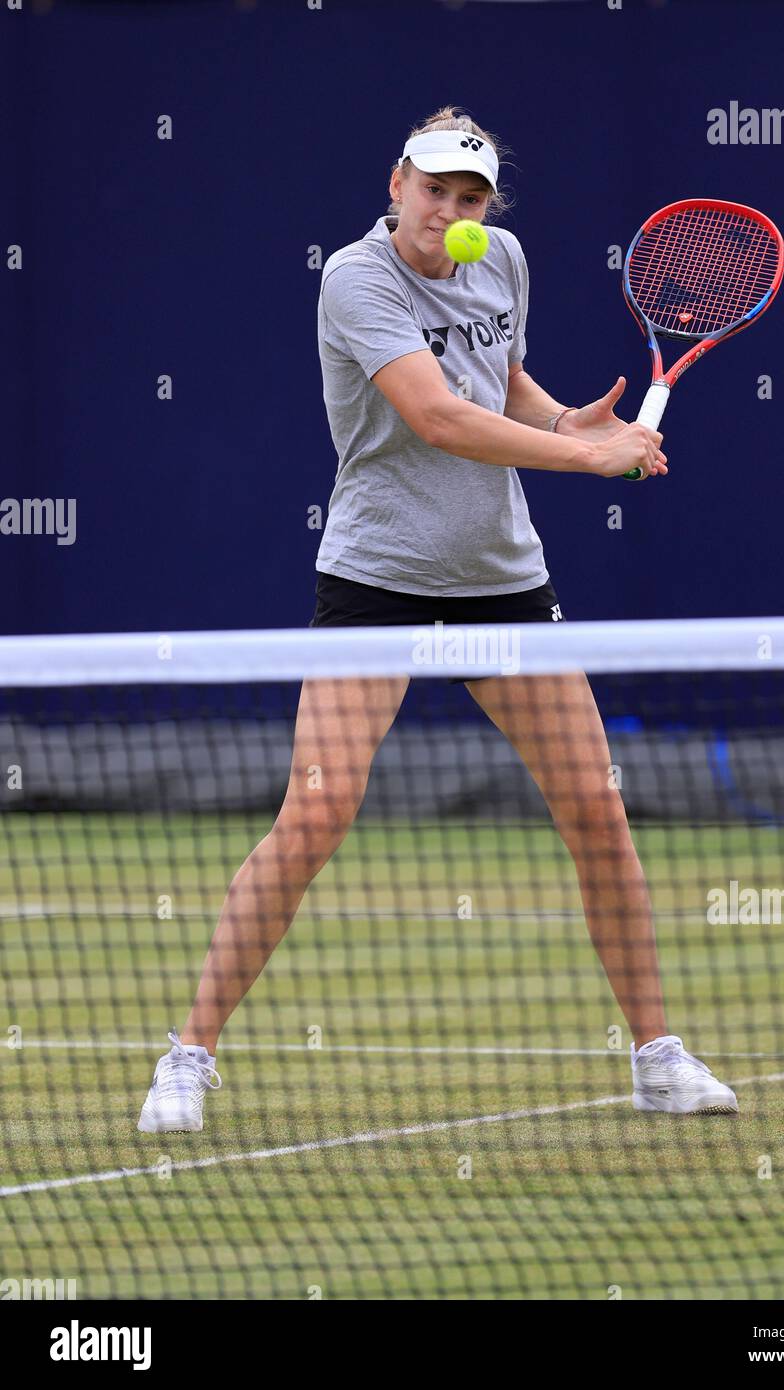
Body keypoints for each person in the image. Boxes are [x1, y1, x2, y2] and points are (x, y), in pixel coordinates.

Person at [138, 107, 737, 1134]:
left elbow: (492, 381)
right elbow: (439, 416)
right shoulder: (357, 279)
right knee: (316, 813)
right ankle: (186, 1059)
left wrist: (562, 420)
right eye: (437, 192)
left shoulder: (500, 258)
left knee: (598, 808)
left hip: (503, 581)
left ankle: (655, 1055)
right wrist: (590, 459)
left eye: (471, 197)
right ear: (397, 182)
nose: (453, 214)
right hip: (379, 579)